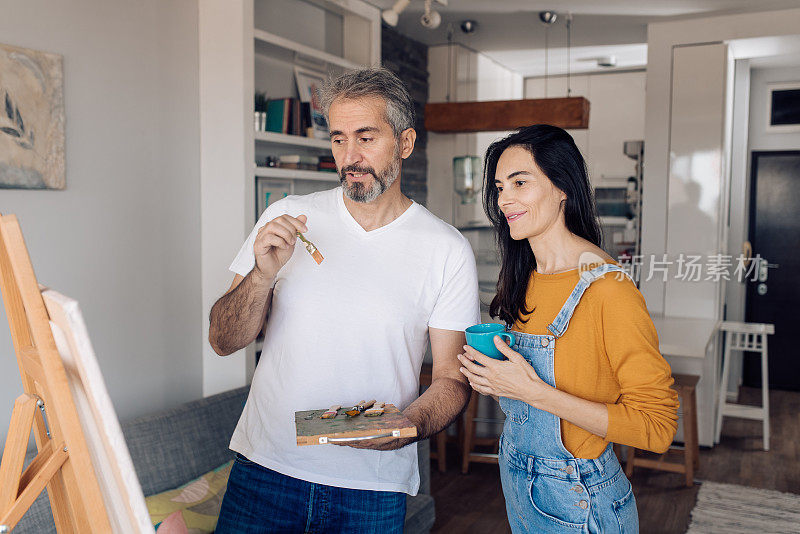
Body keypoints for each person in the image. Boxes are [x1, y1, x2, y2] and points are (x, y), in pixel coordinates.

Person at [209, 67, 480, 534]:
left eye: (366, 137)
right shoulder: (288, 217)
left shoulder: (446, 248)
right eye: (338, 139)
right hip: (266, 471)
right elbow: (222, 339)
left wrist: (406, 426)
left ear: (406, 142)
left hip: (371, 492)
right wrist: (261, 277)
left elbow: (453, 379)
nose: (350, 156)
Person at [457, 125, 679, 533]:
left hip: (581, 498)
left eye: (520, 182)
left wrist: (532, 391)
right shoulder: (527, 276)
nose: (505, 199)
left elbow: (657, 428)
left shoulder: (608, 289)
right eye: (500, 186)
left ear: (562, 187)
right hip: (520, 483)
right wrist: (495, 379)